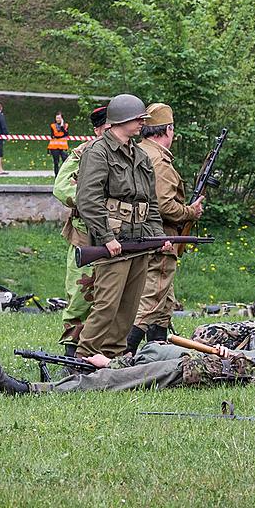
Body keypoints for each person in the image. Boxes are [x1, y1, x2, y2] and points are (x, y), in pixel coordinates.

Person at [0, 322, 255, 395]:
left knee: (125, 377)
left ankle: (36, 389)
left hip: (206, 369)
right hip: (224, 359)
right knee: (141, 358)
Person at [75, 93, 170, 358]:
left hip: (138, 240)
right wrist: (106, 237)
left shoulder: (138, 154)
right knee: (107, 304)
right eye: (138, 118)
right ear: (122, 120)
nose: (142, 123)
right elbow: (88, 199)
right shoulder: (98, 152)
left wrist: (158, 236)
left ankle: (113, 356)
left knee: (128, 307)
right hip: (114, 241)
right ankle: (83, 356)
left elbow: (149, 202)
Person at [125, 103, 205, 355]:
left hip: (140, 233)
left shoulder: (138, 151)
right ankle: (124, 353)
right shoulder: (158, 160)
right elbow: (164, 205)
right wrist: (191, 212)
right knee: (152, 298)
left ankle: (156, 351)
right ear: (168, 130)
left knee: (164, 299)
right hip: (159, 237)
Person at [52, 106, 111, 356]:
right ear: (98, 130)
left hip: (117, 237)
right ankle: (71, 353)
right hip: (85, 236)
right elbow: (62, 187)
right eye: (108, 128)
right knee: (80, 295)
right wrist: (92, 201)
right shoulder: (83, 153)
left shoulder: (125, 154)